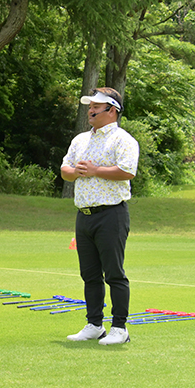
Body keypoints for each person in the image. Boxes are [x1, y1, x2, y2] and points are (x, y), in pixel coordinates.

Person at [61, 87, 139, 346]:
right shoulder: (80, 140)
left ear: (112, 110)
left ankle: (119, 328)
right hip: (84, 215)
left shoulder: (123, 140)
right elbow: (65, 169)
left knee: (114, 273)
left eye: (97, 106)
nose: (91, 110)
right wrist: (75, 172)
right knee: (90, 274)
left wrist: (95, 170)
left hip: (111, 214)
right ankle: (95, 324)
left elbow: (127, 171)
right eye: (90, 106)